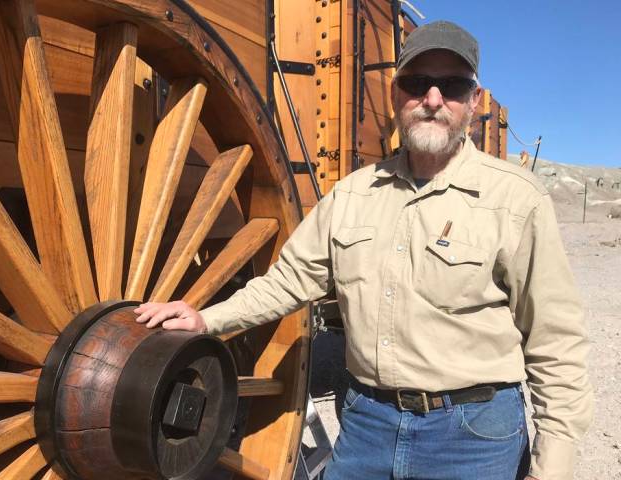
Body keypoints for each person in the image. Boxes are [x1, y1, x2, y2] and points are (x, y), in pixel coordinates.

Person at [134, 20, 592, 480]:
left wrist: (553, 465)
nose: (432, 100)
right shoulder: (352, 196)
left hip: (472, 436)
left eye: (451, 86)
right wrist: (205, 318)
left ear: (473, 101)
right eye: (417, 84)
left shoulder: (516, 199)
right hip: (367, 425)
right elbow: (288, 281)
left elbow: (554, 341)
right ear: (396, 96)